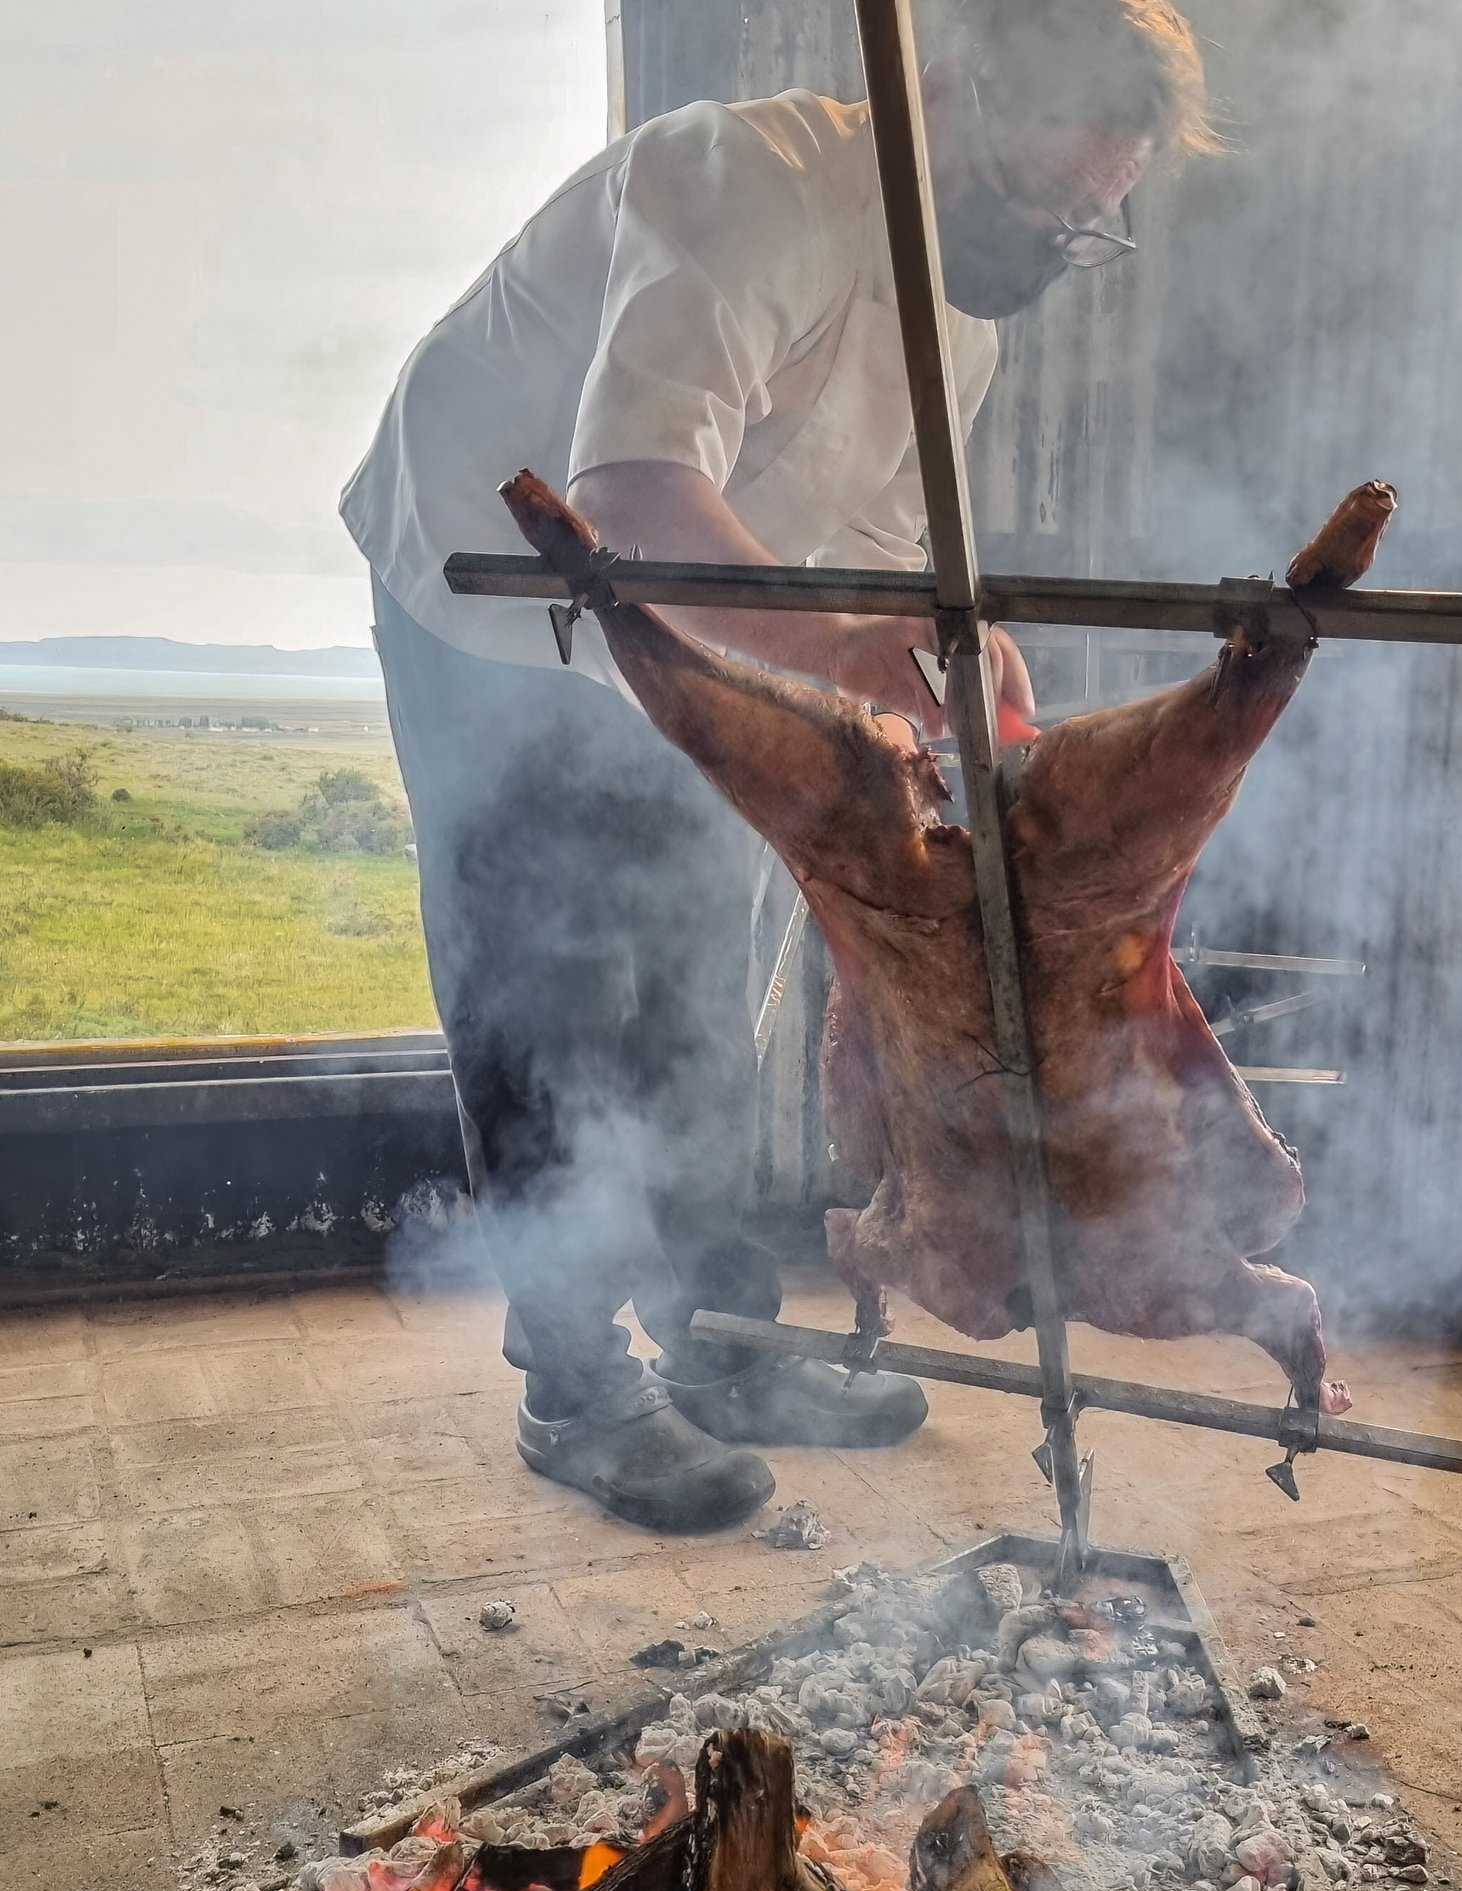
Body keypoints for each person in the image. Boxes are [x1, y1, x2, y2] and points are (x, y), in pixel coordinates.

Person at [340, 0, 1216, 1534]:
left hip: (687, 619)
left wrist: (944, 659)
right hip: (491, 580)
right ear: (940, 99)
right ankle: (574, 1377)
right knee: (537, 983)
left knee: (693, 983)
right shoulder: (750, 185)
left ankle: (722, 1341)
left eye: (1090, 227)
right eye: (1033, 201)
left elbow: (869, 558)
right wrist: (834, 650)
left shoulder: (964, 323)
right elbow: (632, 486)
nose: (1051, 245)